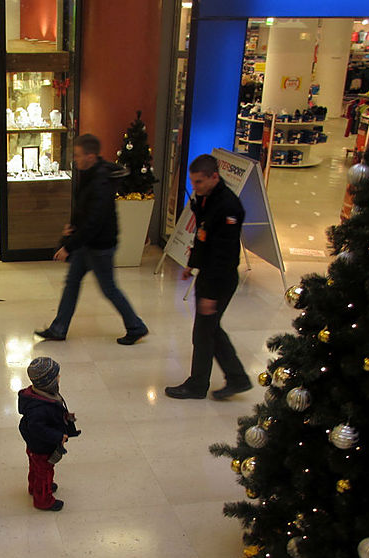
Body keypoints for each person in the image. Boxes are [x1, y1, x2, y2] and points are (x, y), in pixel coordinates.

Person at [35, 134, 149, 345]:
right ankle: (58, 328)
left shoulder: (100, 181)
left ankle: (136, 326)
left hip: (100, 246)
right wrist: (72, 227)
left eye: (78, 155)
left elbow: (94, 221)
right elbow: (85, 210)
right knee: (72, 283)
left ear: (91, 155)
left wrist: (69, 247)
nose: (75, 159)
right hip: (89, 243)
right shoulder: (90, 173)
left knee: (109, 289)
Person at [165, 154, 252, 400]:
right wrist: (192, 265)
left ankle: (198, 384)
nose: (196, 188)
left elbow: (224, 254)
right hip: (208, 276)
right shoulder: (207, 199)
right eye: (193, 183)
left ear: (215, 176)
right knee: (209, 330)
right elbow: (203, 237)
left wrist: (211, 295)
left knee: (204, 333)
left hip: (219, 281)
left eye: (200, 182)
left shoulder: (228, 206)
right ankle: (237, 378)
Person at [18, 357, 79, 511]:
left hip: (35, 446)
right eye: (56, 376)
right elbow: (38, 429)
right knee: (45, 472)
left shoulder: (42, 395)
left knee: (36, 468)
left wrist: (65, 418)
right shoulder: (38, 409)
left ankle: (34, 487)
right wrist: (58, 436)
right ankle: (43, 500)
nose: (59, 378)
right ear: (49, 382)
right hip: (42, 447)